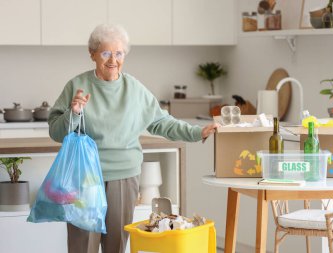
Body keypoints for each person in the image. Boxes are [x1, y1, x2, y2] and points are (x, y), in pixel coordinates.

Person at [48, 23, 218, 253]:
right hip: (84, 177)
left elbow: (161, 122)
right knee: (81, 245)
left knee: (116, 245)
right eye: (106, 53)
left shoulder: (134, 89)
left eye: (119, 53)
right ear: (93, 54)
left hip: (123, 176)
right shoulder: (77, 85)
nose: (112, 60)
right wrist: (74, 113)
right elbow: (56, 132)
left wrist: (197, 132)